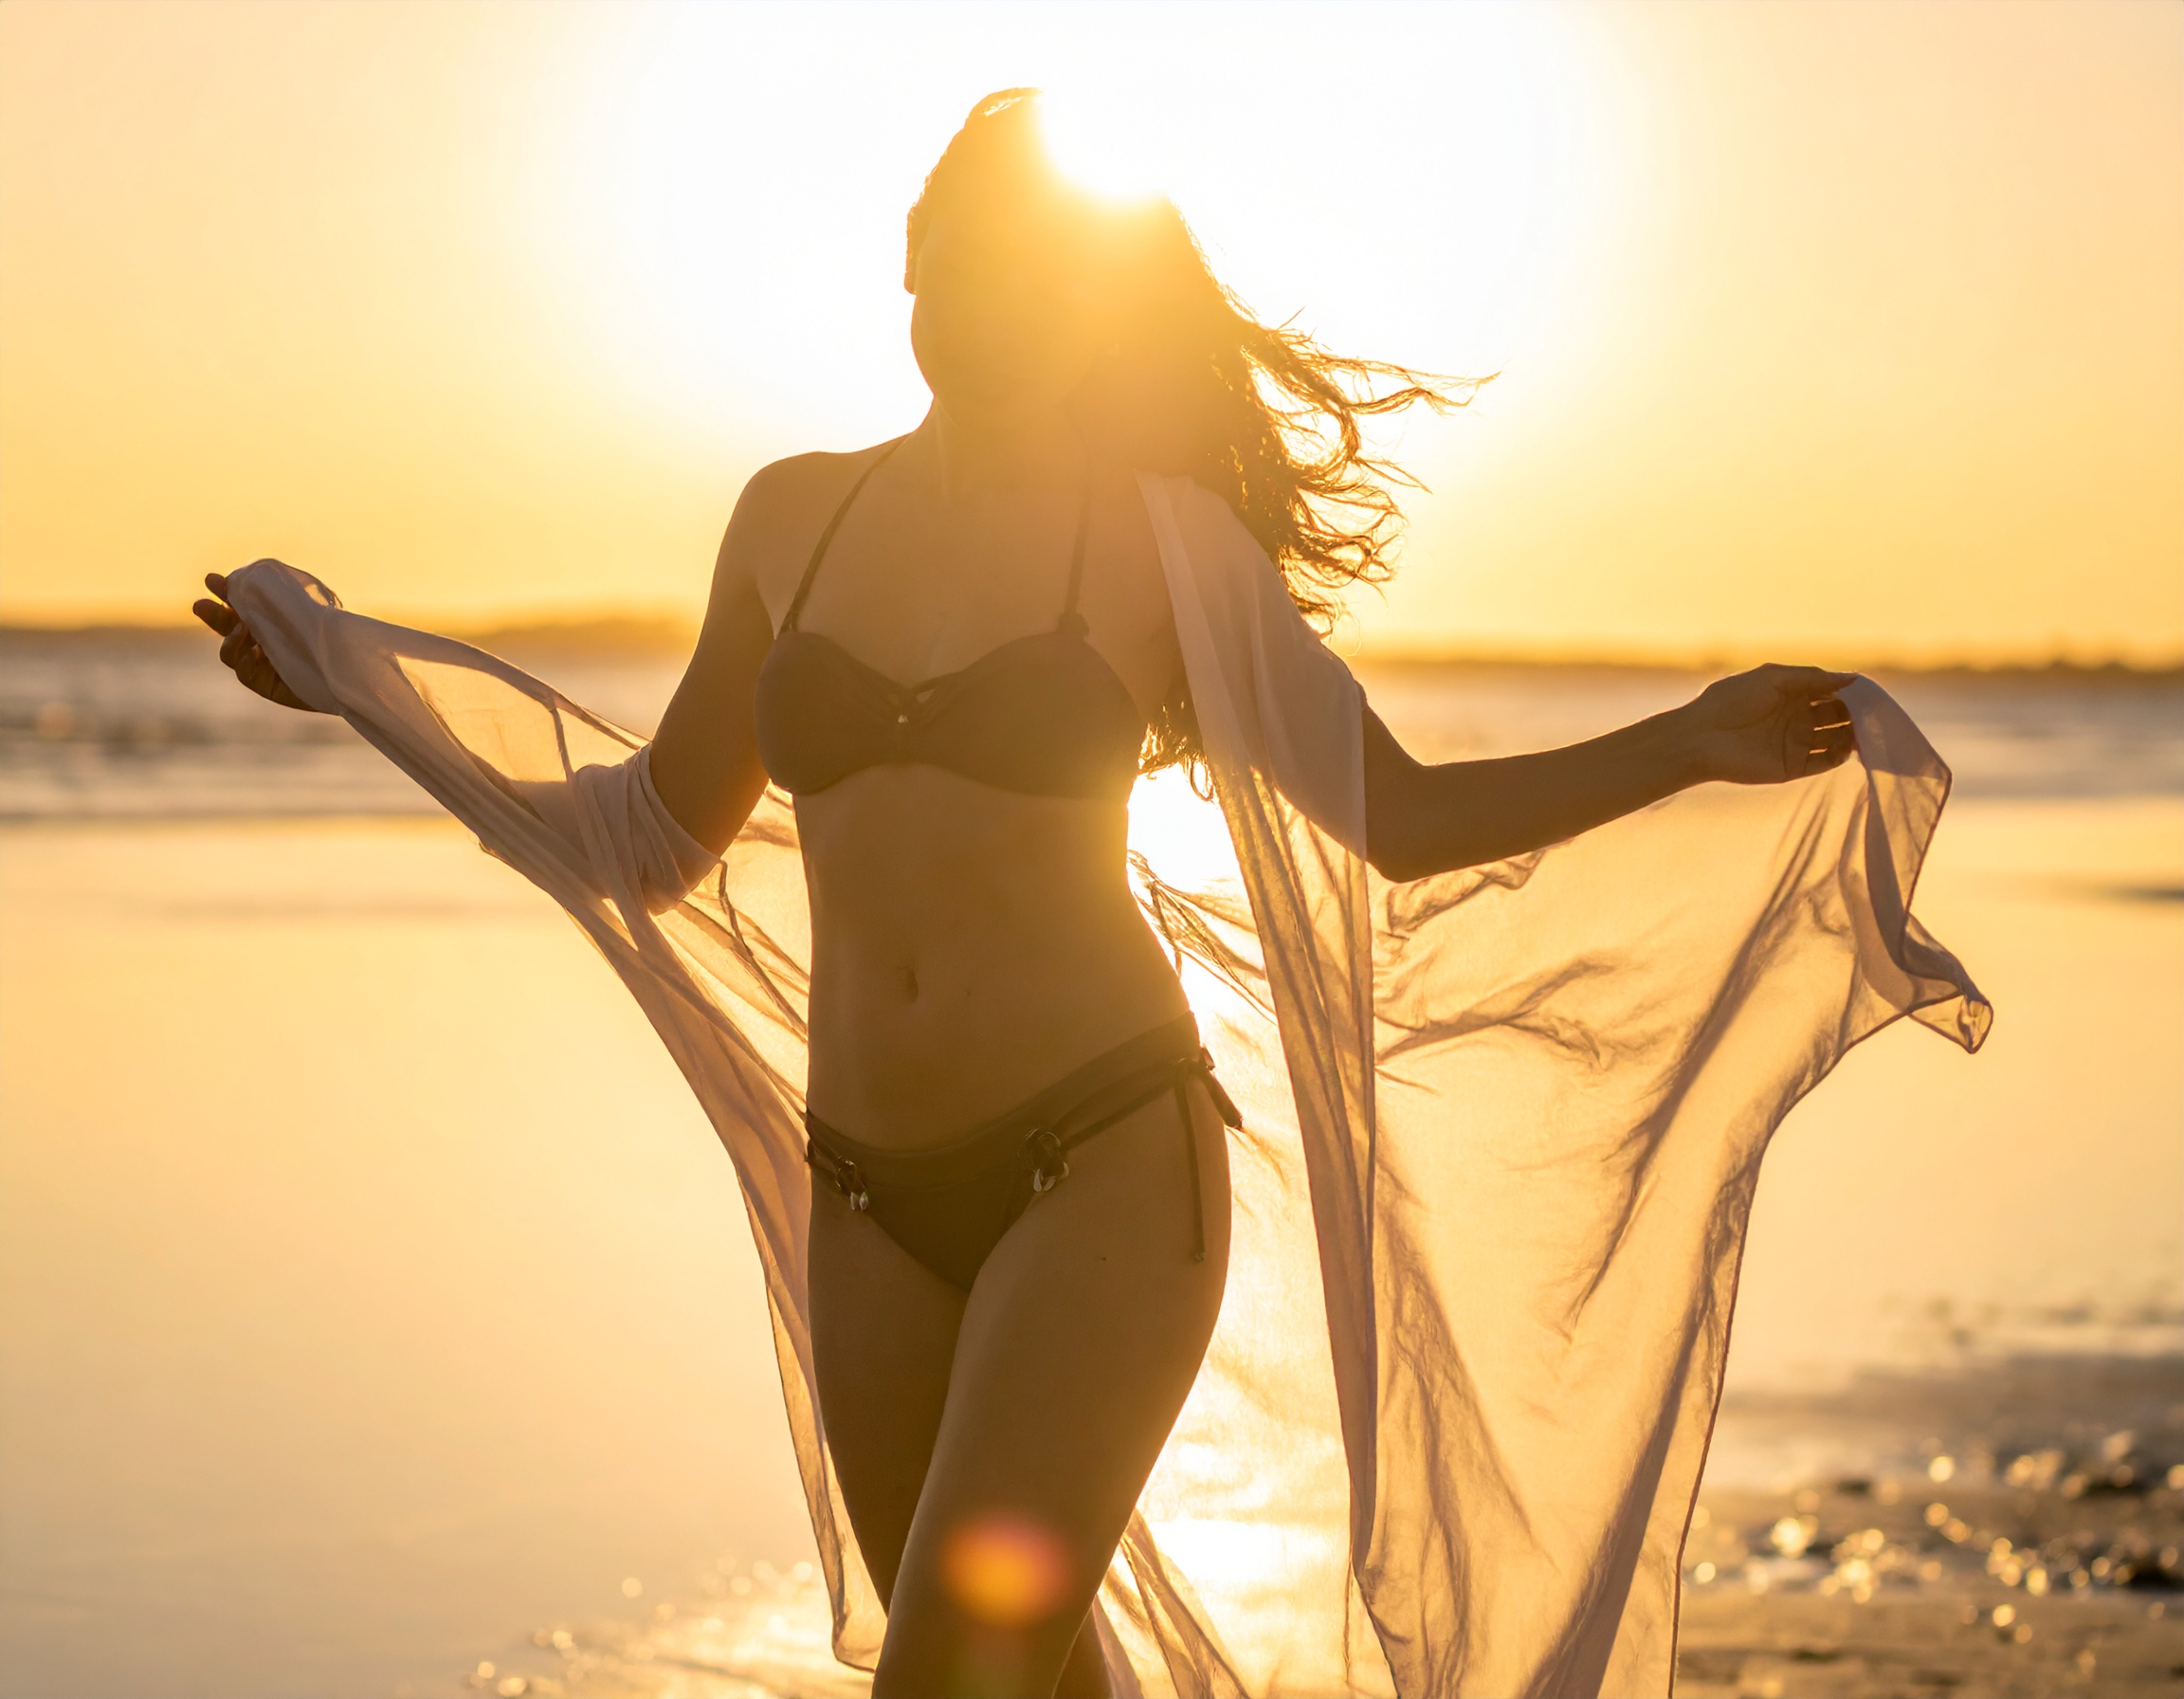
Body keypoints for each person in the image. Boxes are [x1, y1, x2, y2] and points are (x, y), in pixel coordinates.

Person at [194, 90, 1979, 1699]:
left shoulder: (1157, 546)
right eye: (956, 251)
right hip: (869, 1200)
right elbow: (645, 843)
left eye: (1034, 272)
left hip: (1105, 1168)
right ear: (909, 258)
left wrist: (1681, 740)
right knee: (1018, 1678)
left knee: (955, 1678)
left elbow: (1404, 821)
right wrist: (361, 688)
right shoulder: (788, 518)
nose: (983, 295)